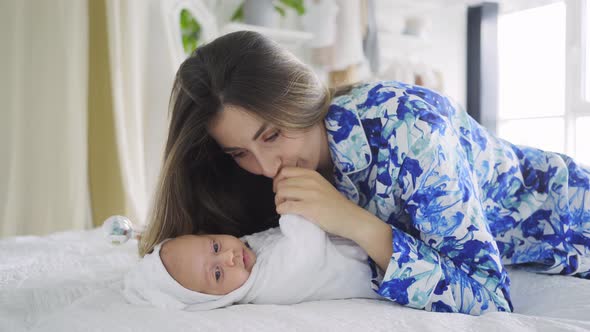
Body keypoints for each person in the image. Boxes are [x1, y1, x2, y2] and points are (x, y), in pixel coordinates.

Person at [138, 30, 590, 316]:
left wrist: (354, 223)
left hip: (571, 214)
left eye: (272, 135)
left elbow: (489, 296)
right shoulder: (264, 175)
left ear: (298, 100)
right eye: (239, 152)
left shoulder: (411, 130)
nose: (265, 167)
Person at [124, 215, 379, 310]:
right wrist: (290, 206)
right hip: (380, 264)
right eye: (217, 274)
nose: (228, 257)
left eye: (215, 246)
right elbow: (309, 248)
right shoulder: (271, 285)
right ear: (213, 300)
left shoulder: (246, 252)